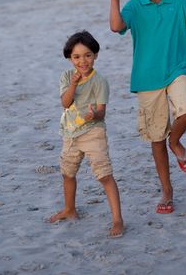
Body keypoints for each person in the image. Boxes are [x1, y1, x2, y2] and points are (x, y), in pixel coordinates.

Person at [103, 0, 186, 214]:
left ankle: (177, 144)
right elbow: (116, 26)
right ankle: (167, 190)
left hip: (176, 71)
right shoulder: (134, 7)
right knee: (156, 137)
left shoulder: (178, 2)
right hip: (147, 79)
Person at [49, 31, 124, 238]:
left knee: (104, 175)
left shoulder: (100, 81)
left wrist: (94, 115)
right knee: (68, 172)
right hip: (70, 133)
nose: (83, 61)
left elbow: (102, 111)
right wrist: (73, 83)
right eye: (77, 57)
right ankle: (69, 209)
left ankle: (117, 219)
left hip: (93, 133)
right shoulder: (66, 76)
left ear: (96, 55)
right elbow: (65, 103)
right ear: (70, 58)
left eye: (88, 55)